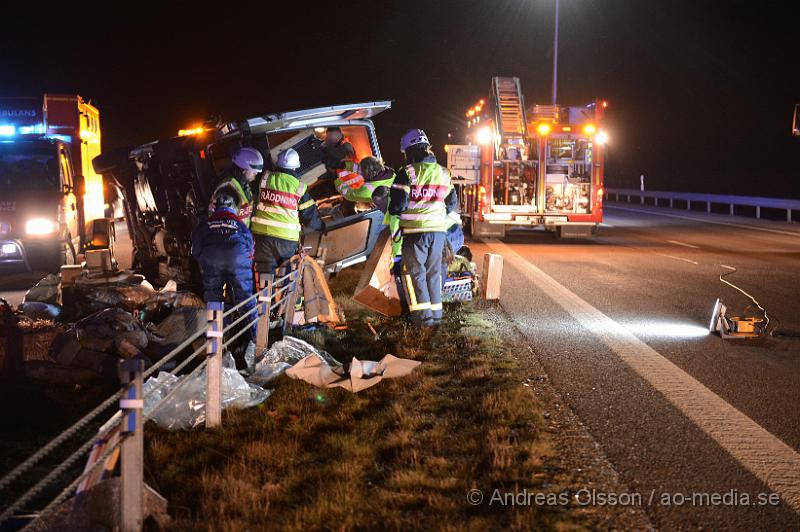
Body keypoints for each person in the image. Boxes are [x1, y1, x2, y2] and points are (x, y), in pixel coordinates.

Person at [389, 128, 457, 326]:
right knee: (434, 273)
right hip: (437, 232)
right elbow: (452, 203)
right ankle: (436, 317)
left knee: (415, 275)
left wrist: (394, 210)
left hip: (414, 233)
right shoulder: (443, 172)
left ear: (409, 151)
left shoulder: (406, 173)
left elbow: (397, 206)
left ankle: (423, 320)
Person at [192, 189, 256, 366]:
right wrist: (244, 262)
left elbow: (195, 249)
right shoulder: (239, 223)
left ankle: (215, 343)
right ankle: (257, 340)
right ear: (233, 207)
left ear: (216, 207)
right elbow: (250, 247)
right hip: (237, 259)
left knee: (214, 301)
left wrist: (205, 259)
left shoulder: (206, 224)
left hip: (212, 260)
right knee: (247, 301)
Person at [251, 148, 325, 274]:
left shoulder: (265, 179)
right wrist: (322, 226)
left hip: (262, 236)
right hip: (287, 240)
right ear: (295, 168)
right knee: (287, 275)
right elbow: (309, 217)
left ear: (278, 164)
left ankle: (266, 292)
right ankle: (287, 292)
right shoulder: (299, 187)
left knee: (266, 273)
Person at [209, 147, 263, 227]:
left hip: (241, 236)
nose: (255, 175)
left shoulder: (243, 185)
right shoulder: (228, 191)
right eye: (254, 172)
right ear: (243, 169)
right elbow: (224, 227)